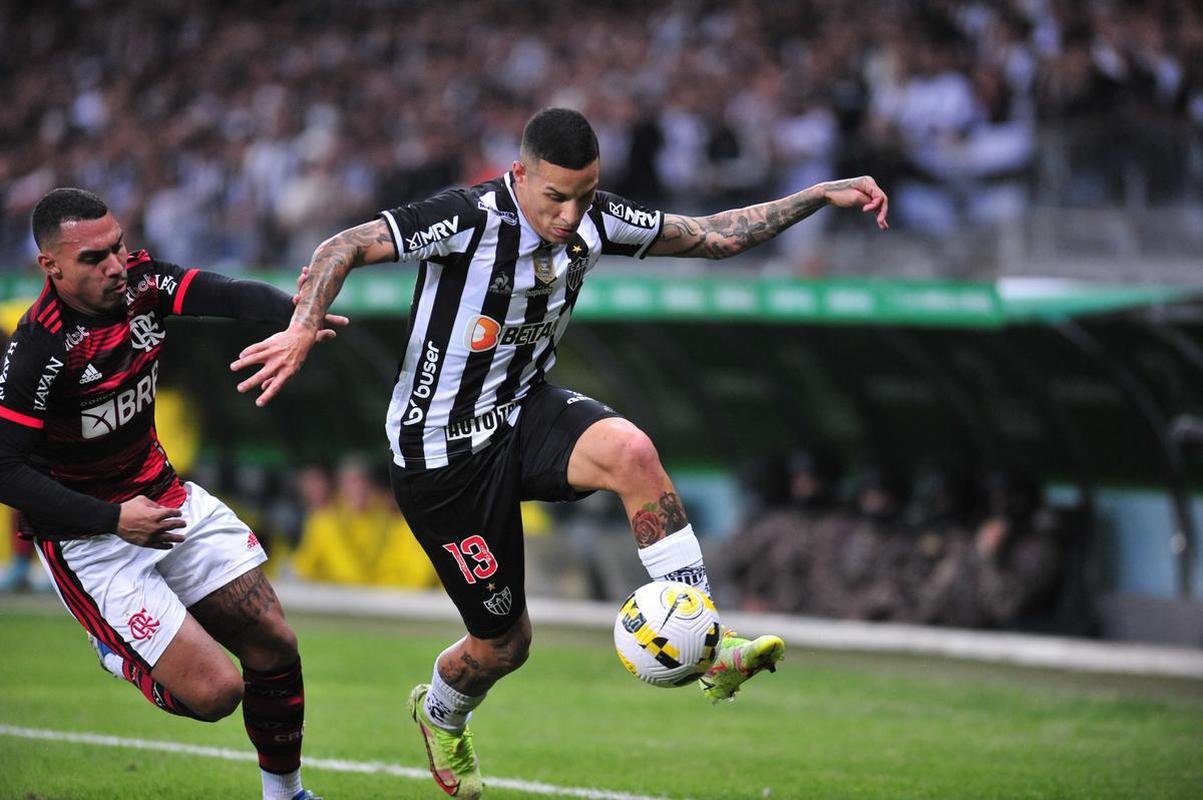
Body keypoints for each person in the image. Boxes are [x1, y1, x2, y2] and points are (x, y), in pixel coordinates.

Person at [232, 108, 889, 799]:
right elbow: (340, 245)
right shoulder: (466, 217)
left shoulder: (596, 217)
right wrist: (302, 328)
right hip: (440, 455)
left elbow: (712, 237)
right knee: (503, 647)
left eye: (584, 194)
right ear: (519, 175)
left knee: (631, 452)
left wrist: (816, 194)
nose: (572, 214)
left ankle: (707, 641)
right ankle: (439, 714)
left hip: (522, 413)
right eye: (555, 197)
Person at [0, 188, 347, 800]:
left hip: (166, 499)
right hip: (92, 541)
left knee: (274, 641)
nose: (114, 265)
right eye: (92, 258)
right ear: (49, 266)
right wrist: (111, 519)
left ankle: (286, 794)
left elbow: (227, 293)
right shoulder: (38, 349)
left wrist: (299, 318)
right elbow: (6, 472)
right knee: (216, 694)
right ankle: (116, 649)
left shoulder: (142, 285)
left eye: (118, 247)